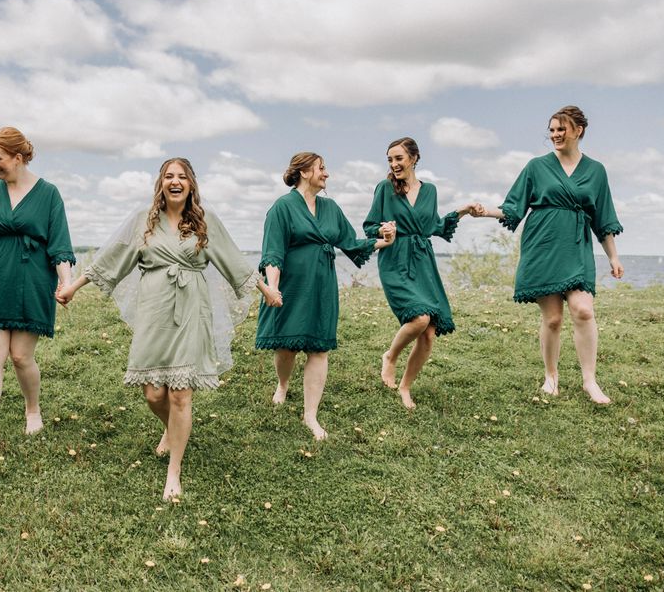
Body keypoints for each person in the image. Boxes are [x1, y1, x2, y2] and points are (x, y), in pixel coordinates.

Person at [55, 158, 279, 500]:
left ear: (191, 184)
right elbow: (111, 259)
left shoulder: (204, 222)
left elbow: (234, 259)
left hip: (192, 311)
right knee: (153, 394)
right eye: (169, 176)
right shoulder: (143, 221)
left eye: (182, 177)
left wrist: (267, 290)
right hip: (154, 311)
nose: (175, 182)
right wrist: (73, 287)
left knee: (179, 394)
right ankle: (172, 430)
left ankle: (174, 471)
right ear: (161, 183)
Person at [471, 105, 623, 404]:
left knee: (583, 309)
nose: (555, 135)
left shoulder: (596, 171)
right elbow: (514, 207)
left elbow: (603, 219)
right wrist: (485, 211)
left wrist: (613, 257)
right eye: (551, 130)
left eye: (561, 129)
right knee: (553, 319)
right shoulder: (536, 167)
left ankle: (589, 381)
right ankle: (551, 377)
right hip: (542, 245)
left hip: (576, 248)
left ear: (578, 131)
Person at [255, 152, 394, 440]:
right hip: (292, 285)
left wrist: (385, 241)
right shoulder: (282, 207)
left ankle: (310, 416)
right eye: (322, 168)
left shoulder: (330, 208)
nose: (326, 174)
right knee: (286, 347)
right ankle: (283, 384)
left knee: (319, 348)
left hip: (322, 286)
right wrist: (273, 287)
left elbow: (352, 243)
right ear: (305, 172)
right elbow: (273, 252)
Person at [0, 127, 75, 465]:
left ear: (18, 157)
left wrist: (65, 282)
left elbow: (60, 244)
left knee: (22, 357)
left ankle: (32, 409)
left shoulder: (49, 194)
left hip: (33, 283)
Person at [364, 137, 476, 409]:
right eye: (390, 159)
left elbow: (433, 226)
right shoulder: (384, 189)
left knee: (429, 332)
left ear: (413, 158)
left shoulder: (430, 191)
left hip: (423, 261)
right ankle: (390, 357)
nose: (394, 164)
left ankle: (405, 386)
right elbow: (369, 227)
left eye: (399, 158)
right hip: (395, 259)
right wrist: (383, 230)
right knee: (419, 318)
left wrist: (462, 211)